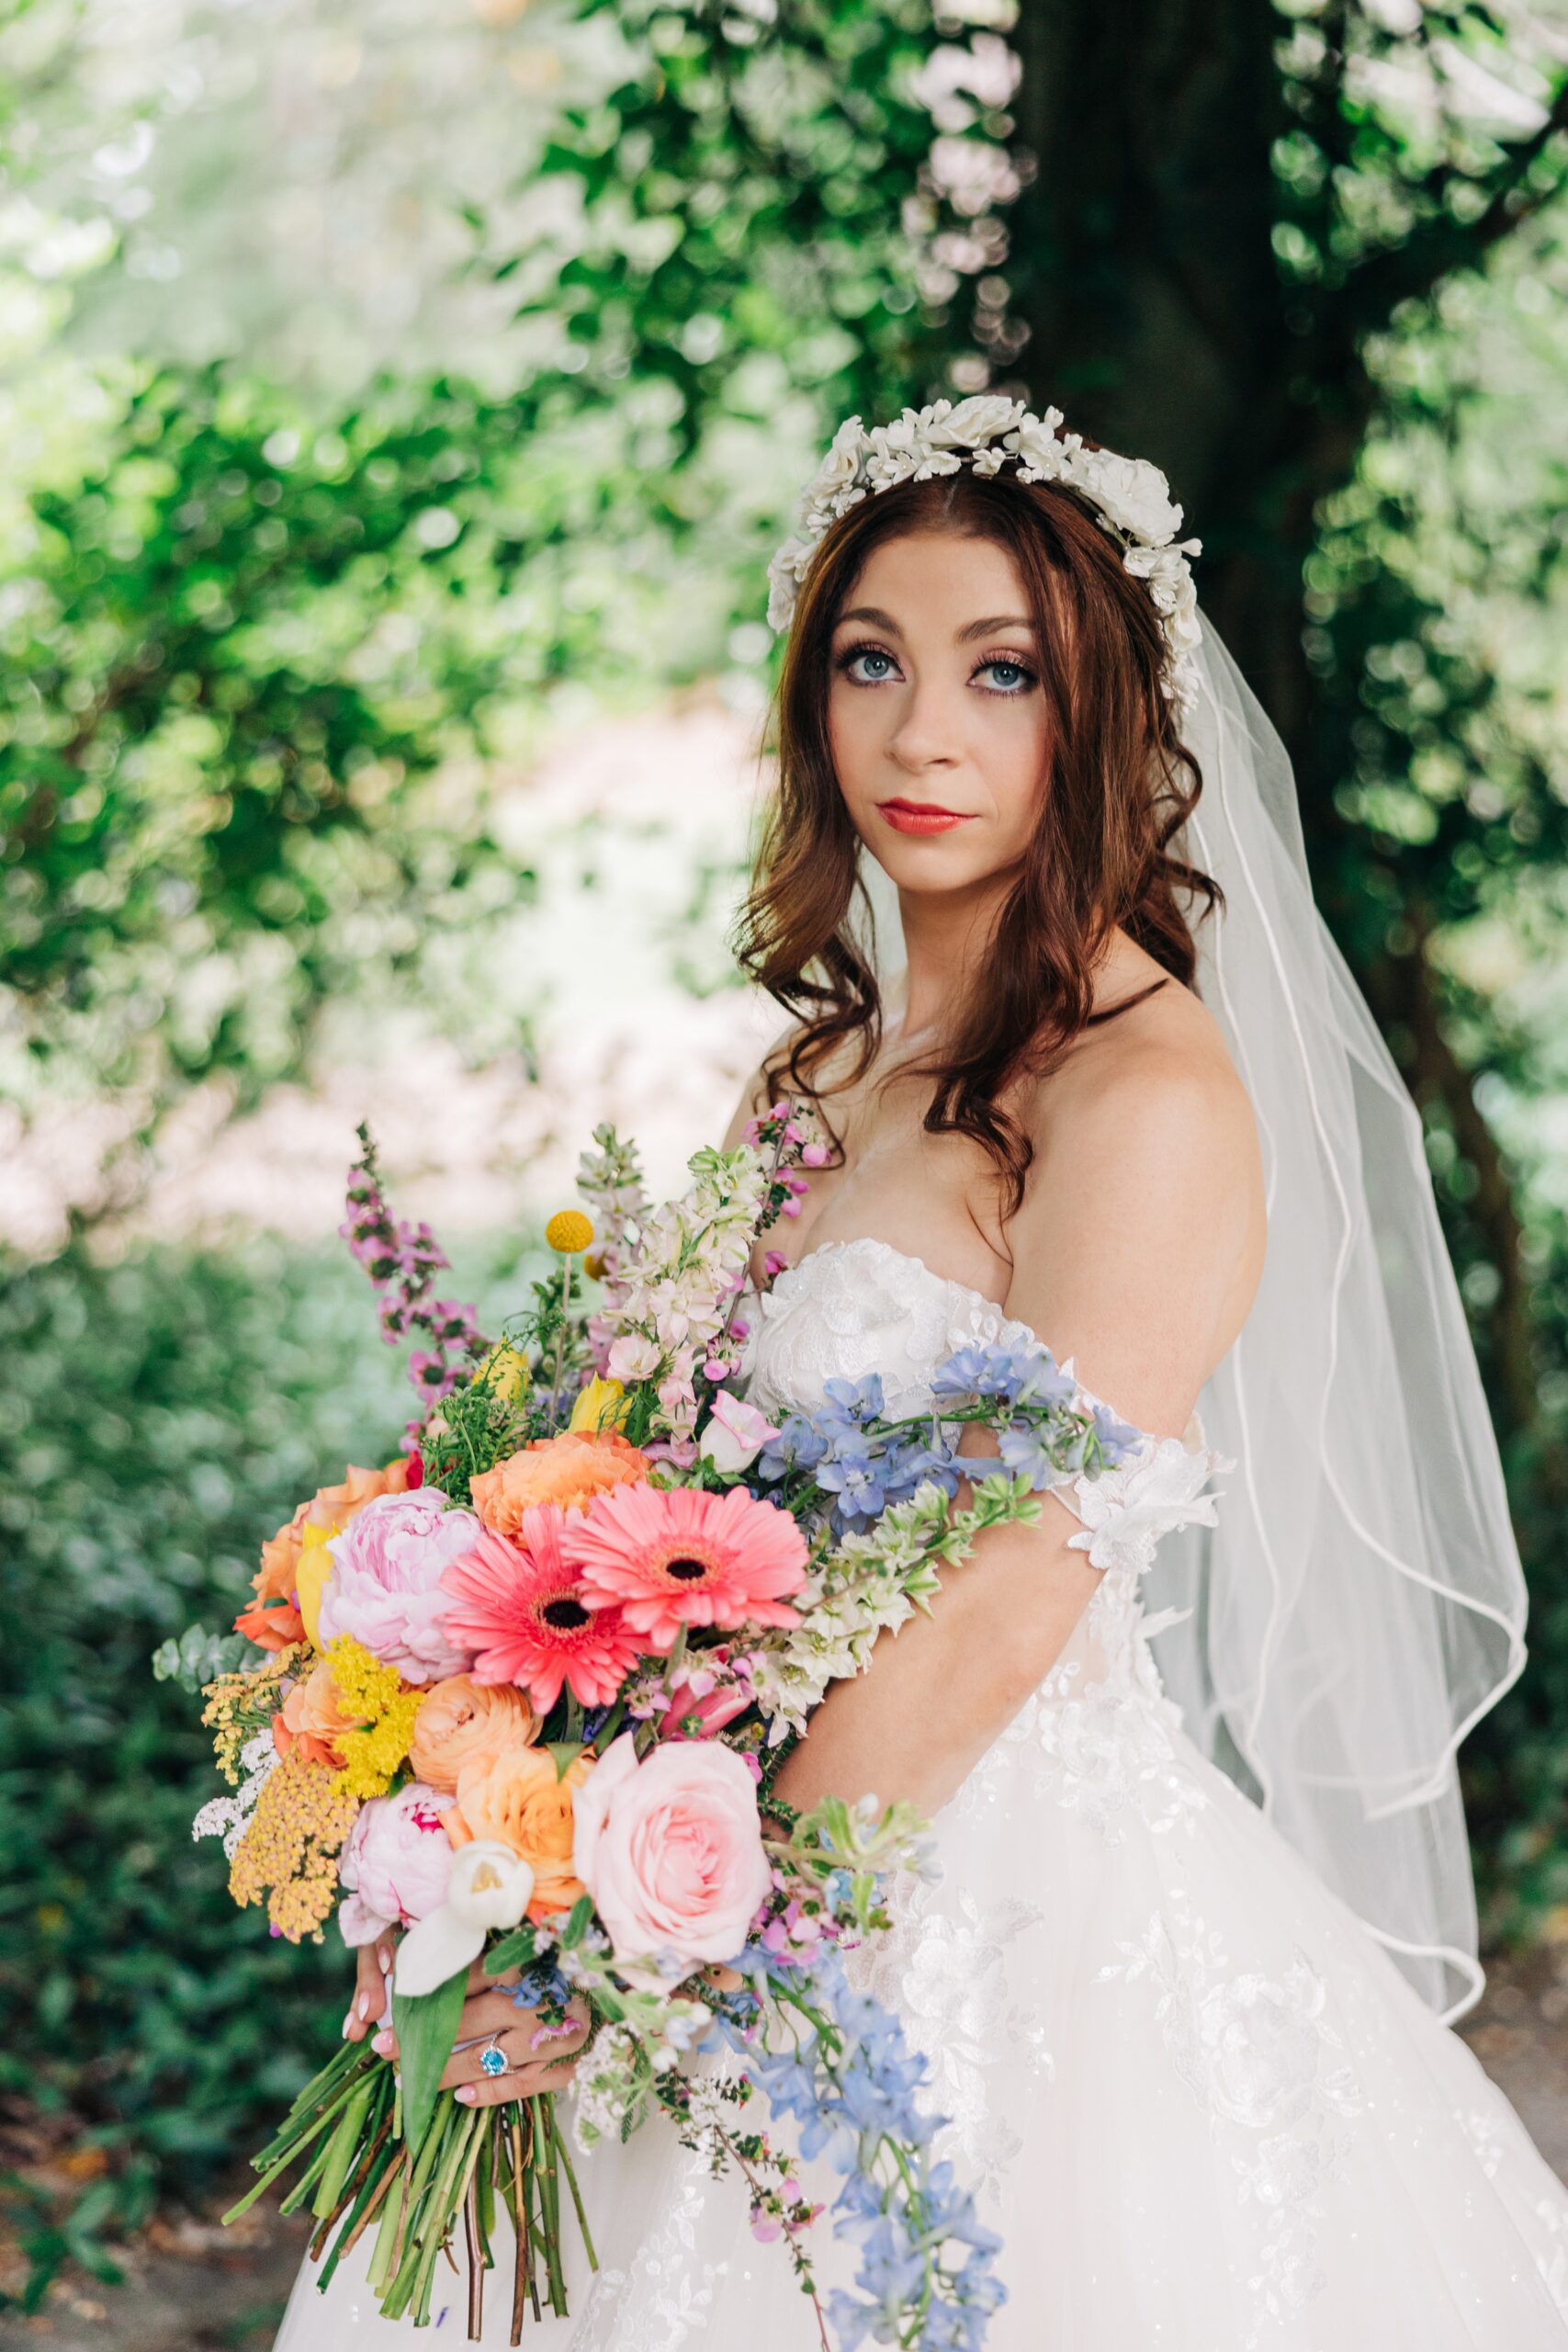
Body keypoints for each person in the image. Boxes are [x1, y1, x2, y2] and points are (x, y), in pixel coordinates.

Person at [276, 399, 1568, 2346]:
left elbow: (1007, 1597)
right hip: (701, 1836)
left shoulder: (1143, 1097)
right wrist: (496, 1814)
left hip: (979, 1899)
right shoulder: (811, 1073)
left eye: (1001, 672)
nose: (920, 734)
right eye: (867, 661)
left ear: (1106, 713)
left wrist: (655, 1936)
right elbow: (645, 1494)